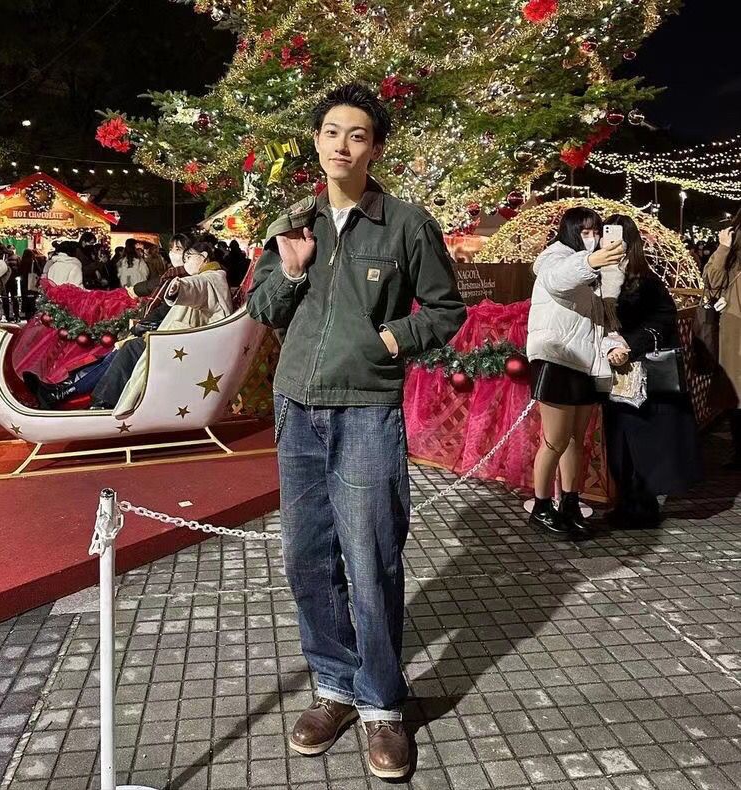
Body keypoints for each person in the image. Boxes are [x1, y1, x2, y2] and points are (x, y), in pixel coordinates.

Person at [246, 83, 466, 779]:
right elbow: (261, 308)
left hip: (367, 407)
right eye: (332, 132)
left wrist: (392, 340)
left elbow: (446, 308)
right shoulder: (294, 220)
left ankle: (381, 704)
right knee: (305, 558)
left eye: (358, 135)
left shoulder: (405, 224)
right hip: (295, 407)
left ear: (375, 148)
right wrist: (290, 269)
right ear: (316, 141)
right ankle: (334, 687)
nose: (343, 145)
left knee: (370, 559)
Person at [526, 207, 625, 539]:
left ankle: (570, 502)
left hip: (585, 363)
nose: (593, 237)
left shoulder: (595, 270)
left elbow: (602, 319)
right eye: (585, 231)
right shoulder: (555, 257)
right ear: (569, 231)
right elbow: (559, 280)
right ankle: (541, 507)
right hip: (556, 359)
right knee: (554, 441)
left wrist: (614, 343)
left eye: (597, 231)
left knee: (575, 441)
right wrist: (592, 261)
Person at [602, 214, 702, 524]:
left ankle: (642, 506)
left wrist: (630, 345)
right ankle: (627, 502)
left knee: (642, 440)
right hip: (610, 373)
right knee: (619, 439)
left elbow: (663, 318)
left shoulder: (645, 280)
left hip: (641, 376)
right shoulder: (596, 275)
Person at [89, 240, 232, 412]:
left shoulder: (210, 278)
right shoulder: (209, 275)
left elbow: (195, 287)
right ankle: (98, 398)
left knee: (131, 348)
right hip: (186, 337)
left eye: (188, 256)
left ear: (204, 257)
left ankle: (103, 402)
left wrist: (179, 288)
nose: (185, 261)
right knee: (126, 348)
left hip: (190, 344)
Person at [704, 210, 741, 467]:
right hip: (733, 334)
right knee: (734, 399)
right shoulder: (730, 259)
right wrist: (723, 249)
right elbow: (711, 284)